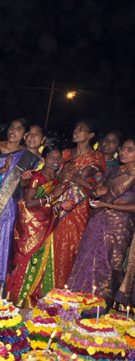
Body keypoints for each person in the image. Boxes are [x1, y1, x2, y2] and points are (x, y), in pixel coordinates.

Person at [0, 120, 42, 296]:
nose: (13, 131)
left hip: (7, 206)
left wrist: (24, 182)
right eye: (11, 127)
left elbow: (22, 189)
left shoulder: (29, 158)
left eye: (19, 128)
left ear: (25, 135)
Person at [68, 138, 135, 304]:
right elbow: (98, 191)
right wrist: (98, 192)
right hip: (98, 219)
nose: (123, 152)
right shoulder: (113, 171)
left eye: (130, 149)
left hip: (119, 226)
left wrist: (108, 204)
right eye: (123, 148)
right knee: (87, 258)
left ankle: (99, 305)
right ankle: (77, 301)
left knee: (107, 264)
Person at [7, 145, 65, 307]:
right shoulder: (37, 177)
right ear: (43, 160)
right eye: (52, 157)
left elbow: (52, 203)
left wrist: (60, 205)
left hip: (47, 222)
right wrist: (52, 196)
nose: (56, 161)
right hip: (31, 224)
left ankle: (34, 296)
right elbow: (30, 202)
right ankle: (19, 297)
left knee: (41, 258)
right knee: (29, 257)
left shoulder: (57, 180)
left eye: (58, 158)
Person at [51, 119, 106, 289]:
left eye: (81, 128)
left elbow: (97, 188)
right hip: (60, 203)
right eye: (76, 127)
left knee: (72, 246)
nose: (76, 130)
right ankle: (50, 286)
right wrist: (63, 177)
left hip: (79, 208)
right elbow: (56, 177)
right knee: (54, 243)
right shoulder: (66, 153)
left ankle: (66, 289)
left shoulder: (96, 157)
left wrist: (77, 179)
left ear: (90, 135)